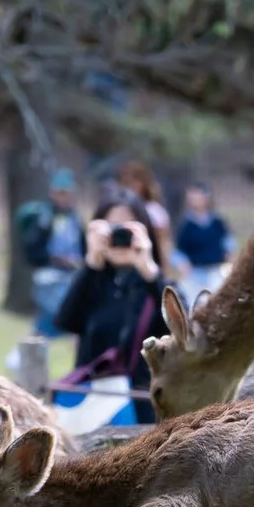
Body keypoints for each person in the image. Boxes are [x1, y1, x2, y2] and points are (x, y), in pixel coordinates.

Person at [53, 197, 167, 422]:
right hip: (92, 407)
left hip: (143, 407)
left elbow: (179, 328)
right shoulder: (91, 282)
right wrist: (91, 263)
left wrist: (149, 270)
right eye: (112, 228)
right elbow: (65, 322)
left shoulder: (155, 284)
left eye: (128, 229)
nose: (120, 237)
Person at [26, 168, 85, 335]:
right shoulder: (44, 218)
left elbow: (83, 246)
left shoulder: (74, 217)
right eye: (61, 193)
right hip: (49, 279)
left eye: (68, 193)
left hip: (71, 277)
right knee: (52, 321)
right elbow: (33, 252)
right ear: (53, 193)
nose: (65, 198)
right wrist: (56, 259)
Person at [172, 182, 233, 298]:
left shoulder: (217, 221)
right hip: (196, 274)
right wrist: (182, 264)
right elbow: (178, 252)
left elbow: (228, 242)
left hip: (216, 271)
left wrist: (229, 256)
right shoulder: (186, 225)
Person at [114, 160, 174, 255]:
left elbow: (163, 244)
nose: (131, 186)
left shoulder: (154, 211)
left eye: (135, 181)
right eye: (126, 182)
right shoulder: (116, 210)